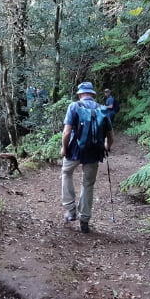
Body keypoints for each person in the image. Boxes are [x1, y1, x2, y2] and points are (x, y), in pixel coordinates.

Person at [61, 81, 114, 233]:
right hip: (94, 151)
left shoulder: (74, 106)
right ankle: (84, 219)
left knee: (66, 173)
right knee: (88, 184)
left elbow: (66, 132)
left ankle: (70, 210)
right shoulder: (102, 109)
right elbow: (111, 136)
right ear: (92, 94)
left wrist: (64, 149)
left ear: (80, 94)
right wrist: (106, 147)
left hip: (75, 149)